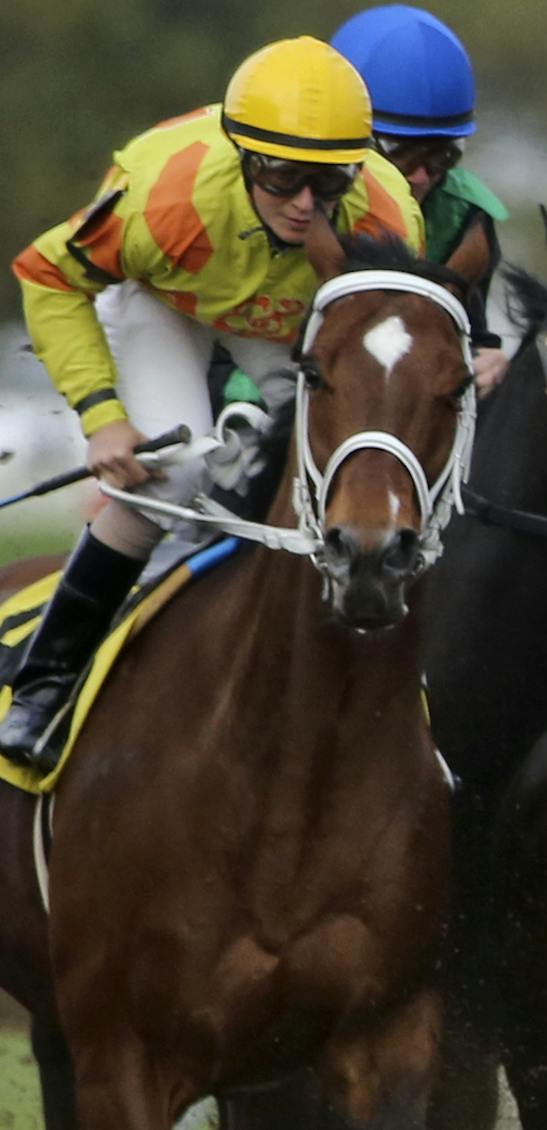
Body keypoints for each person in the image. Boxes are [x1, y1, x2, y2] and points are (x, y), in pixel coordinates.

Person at [1, 36, 423, 769]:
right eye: (283, 176)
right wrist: (104, 420)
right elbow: (46, 274)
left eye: (329, 183)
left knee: (335, 483)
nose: (304, 205)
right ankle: (46, 679)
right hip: (169, 304)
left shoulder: (385, 219)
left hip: (291, 326)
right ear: (242, 157)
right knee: (174, 477)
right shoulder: (166, 201)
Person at [332, 4, 510, 395]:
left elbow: (473, 333)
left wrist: (488, 360)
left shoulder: (468, 215)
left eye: (442, 155)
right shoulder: (303, 199)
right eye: (402, 152)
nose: (421, 176)